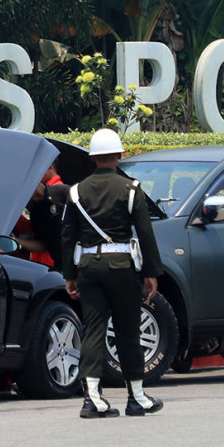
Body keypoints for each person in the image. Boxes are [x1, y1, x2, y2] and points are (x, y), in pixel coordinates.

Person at [61, 128, 163, 419]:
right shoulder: (131, 189)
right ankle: (137, 398)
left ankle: (93, 398)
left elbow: (67, 235)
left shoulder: (75, 191)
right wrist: (151, 271)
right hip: (121, 266)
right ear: (119, 155)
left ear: (92, 159)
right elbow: (145, 233)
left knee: (93, 329)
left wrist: (69, 273)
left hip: (88, 267)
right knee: (127, 330)